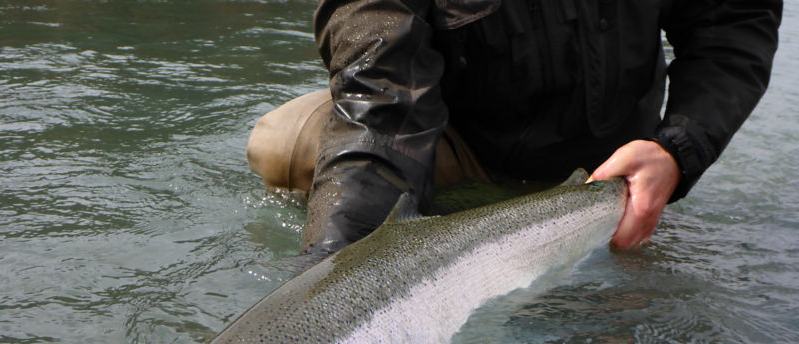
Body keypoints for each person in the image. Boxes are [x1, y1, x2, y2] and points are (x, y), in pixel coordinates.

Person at [247, 0, 781, 257]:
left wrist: (677, 151)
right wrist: (336, 269)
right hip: (463, 144)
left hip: (615, 159)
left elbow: (731, 24)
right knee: (285, 143)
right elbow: (383, 104)